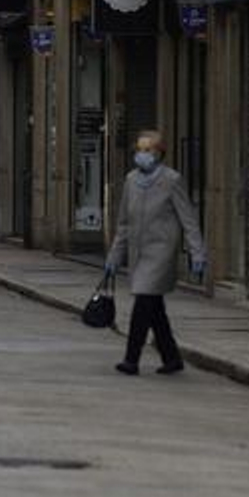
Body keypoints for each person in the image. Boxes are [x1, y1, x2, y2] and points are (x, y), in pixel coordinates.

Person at [102, 130, 206, 376]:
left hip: (161, 251)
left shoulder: (172, 180)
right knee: (154, 308)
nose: (142, 154)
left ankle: (131, 359)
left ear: (160, 153)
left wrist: (197, 253)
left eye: (148, 150)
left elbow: (188, 219)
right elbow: (124, 223)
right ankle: (171, 357)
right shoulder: (130, 180)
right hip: (138, 253)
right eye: (139, 149)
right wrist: (114, 257)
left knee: (143, 302)